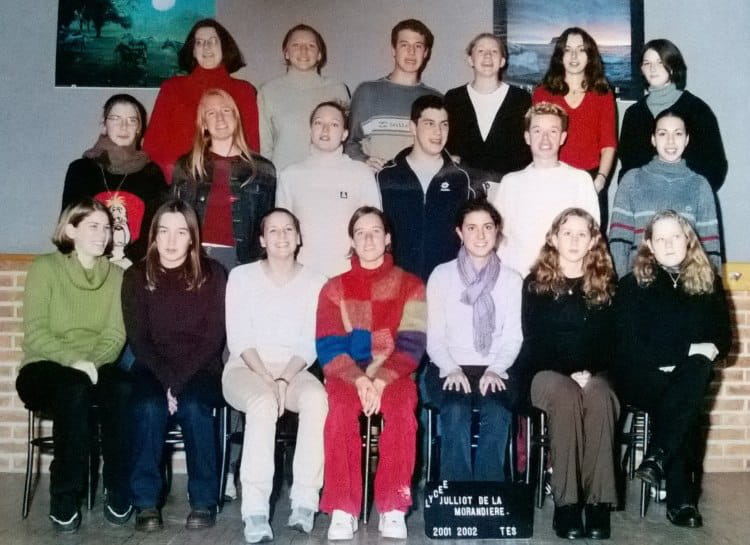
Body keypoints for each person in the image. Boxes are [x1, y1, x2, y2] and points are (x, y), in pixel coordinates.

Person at [16, 198, 129, 532]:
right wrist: (75, 362)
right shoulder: (45, 268)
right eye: (93, 226)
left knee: (124, 388)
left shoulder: (117, 276)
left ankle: (117, 488)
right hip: (45, 365)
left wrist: (91, 363)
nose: (102, 234)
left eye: (106, 228)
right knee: (73, 389)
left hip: (95, 365)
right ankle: (64, 497)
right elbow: (36, 333)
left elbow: (115, 335)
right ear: (70, 230)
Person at [614, 210, 731, 529]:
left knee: (691, 380)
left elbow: (723, 341)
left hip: (686, 379)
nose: (668, 244)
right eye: (660, 238)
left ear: (688, 240)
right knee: (688, 393)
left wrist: (682, 357)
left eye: (675, 237)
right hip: (642, 379)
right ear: (649, 245)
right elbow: (629, 346)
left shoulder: (708, 283)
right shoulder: (632, 285)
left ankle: (657, 458)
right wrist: (687, 350)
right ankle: (680, 499)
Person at [316, 207, 426, 540]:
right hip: (347, 374)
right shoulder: (333, 288)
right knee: (339, 412)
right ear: (352, 240)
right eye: (360, 233)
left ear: (387, 237)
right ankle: (343, 508)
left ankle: (394, 506)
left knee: (402, 412)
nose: (368, 239)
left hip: (394, 374)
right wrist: (361, 380)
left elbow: (412, 345)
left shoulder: (411, 285)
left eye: (375, 231)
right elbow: (329, 347)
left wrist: (380, 379)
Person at [223, 208, 328, 543]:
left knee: (317, 398)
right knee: (263, 403)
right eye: (273, 231)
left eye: (288, 230)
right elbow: (239, 338)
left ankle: (305, 502)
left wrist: (283, 379)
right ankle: (255, 510)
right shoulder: (241, 277)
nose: (281, 236)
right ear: (262, 239)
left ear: (298, 238)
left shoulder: (316, 282)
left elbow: (310, 342)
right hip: (246, 368)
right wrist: (267, 379)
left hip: (293, 369)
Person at [122, 199, 227, 532]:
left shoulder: (213, 274)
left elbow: (213, 338)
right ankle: (145, 503)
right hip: (152, 367)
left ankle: (204, 501)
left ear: (192, 238)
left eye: (180, 232)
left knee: (194, 407)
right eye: (164, 231)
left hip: (200, 368)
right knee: (148, 407)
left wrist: (177, 384)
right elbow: (139, 339)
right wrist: (167, 382)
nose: (171, 240)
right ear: (153, 235)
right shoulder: (136, 276)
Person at [515, 207, 618, 540]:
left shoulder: (606, 284)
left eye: (581, 234)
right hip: (545, 373)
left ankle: (598, 504)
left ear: (592, 242)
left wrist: (591, 372)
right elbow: (535, 340)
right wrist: (569, 373)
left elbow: (612, 341)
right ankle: (568, 504)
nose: (574, 240)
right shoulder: (535, 284)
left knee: (600, 396)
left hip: (594, 373)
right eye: (567, 233)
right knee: (566, 394)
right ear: (554, 239)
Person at [425, 200, 522, 481]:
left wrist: (495, 369)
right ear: (459, 232)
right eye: (471, 228)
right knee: (456, 408)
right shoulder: (441, 275)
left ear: (497, 231)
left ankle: (488, 492)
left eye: (487, 227)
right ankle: (458, 492)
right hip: (449, 365)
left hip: (496, 366)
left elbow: (513, 336)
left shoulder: (512, 279)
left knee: (497, 408)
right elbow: (434, 337)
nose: (480, 235)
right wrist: (451, 368)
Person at [488, 102, 599, 277]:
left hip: (564, 278)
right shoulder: (510, 183)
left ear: (562, 137)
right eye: (537, 131)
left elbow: (592, 235)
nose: (545, 139)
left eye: (553, 131)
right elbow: (498, 237)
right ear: (527, 137)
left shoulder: (580, 180)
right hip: (519, 278)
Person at [378, 95, 478, 282]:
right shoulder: (385, 177)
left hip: (446, 284)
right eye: (429, 124)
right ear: (413, 127)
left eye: (444, 124)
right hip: (397, 285)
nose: (438, 132)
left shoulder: (462, 179)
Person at [172, 88, 276, 270]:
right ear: (204, 124)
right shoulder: (186, 166)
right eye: (211, 113)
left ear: (236, 117)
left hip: (244, 262)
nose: (220, 118)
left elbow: (269, 225)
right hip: (196, 259)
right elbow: (174, 218)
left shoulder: (262, 169)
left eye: (226, 110)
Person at [143, 19, 260, 180]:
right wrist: (175, 177)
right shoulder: (172, 88)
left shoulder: (244, 91)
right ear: (193, 51)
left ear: (224, 47)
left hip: (228, 182)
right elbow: (152, 145)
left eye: (213, 41)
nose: (206, 46)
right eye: (199, 42)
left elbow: (251, 146)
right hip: (177, 181)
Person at [609, 109, 721, 277]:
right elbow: (619, 242)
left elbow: (711, 248)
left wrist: (712, 287)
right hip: (639, 282)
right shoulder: (632, 180)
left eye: (678, 133)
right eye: (663, 134)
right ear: (653, 139)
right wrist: (621, 285)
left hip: (687, 283)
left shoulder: (700, 185)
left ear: (687, 139)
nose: (670, 141)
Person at [276, 101, 381, 277]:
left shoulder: (361, 173)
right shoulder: (290, 175)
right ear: (310, 130)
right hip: (303, 275)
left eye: (334, 124)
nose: (325, 130)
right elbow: (282, 232)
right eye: (319, 123)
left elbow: (374, 229)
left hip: (348, 275)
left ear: (344, 134)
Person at [62, 94, 167, 268]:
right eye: (116, 118)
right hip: (87, 266)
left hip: (134, 268)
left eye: (132, 120)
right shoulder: (80, 170)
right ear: (104, 124)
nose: (124, 126)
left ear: (139, 128)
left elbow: (155, 228)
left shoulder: (152, 173)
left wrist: (128, 261)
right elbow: (69, 224)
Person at [533, 27, 616, 229]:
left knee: (590, 241)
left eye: (580, 50)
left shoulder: (602, 93)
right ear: (560, 56)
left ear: (590, 55)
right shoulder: (543, 93)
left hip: (590, 180)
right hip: (552, 178)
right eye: (568, 50)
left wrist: (600, 181)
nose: (574, 56)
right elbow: (536, 140)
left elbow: (608, 144)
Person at [619, 39, 727, 191]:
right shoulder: (633, 114)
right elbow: (628, 168)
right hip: (644, 200)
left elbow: (715, 167)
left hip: (688, 199)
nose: (652, 68)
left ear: (672, 66)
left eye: (659, 62)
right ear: (641, 69)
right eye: (647, 63)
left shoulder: (697, 110)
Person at [345, 19, 441, 171]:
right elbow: (349, 142)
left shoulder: (436, 99)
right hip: (375, 183)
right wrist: (364, 160)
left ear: (425, 53)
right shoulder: (367, 92)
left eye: (418, 46)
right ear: (394, 50)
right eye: (404, 45)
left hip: (418, 183)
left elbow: (441, 147)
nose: (411, 52)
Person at [258, 24, 350, 171]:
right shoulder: (268, 91)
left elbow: (347, 141)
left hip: (328, 175)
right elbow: (265, 146)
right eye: (296, 45)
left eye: (311, 46)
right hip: (284, 176)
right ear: (286, 53)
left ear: (319, 54)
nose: (303, 50)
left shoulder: (337, 89)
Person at [444, 33, 531, 181]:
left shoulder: (521, 99)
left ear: (502, 61)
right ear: (470, 60)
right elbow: (445, 144)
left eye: (494, 51)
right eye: (481, 51)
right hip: (464, 186)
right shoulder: (453, 98)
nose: (488, 56)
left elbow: (527, 148)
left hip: (509, 186)